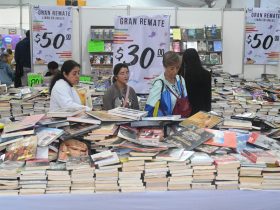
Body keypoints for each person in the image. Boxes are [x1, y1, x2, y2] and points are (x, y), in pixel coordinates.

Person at [145, 51, 188, 117]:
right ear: (165, 66)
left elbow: (185, 101)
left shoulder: (180, 79)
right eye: (172, 68)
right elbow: (149, 108)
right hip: (165, 124)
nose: (175, 71)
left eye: (177, 68)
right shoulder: (159, 83)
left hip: (181, 122)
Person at [179, 48, 211, 115]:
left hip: (185, 109)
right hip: (201, 110)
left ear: (184, 59)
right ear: (197, 58)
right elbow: (207, 96)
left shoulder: (181, 74)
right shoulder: (206, 74)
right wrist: (208, 111)